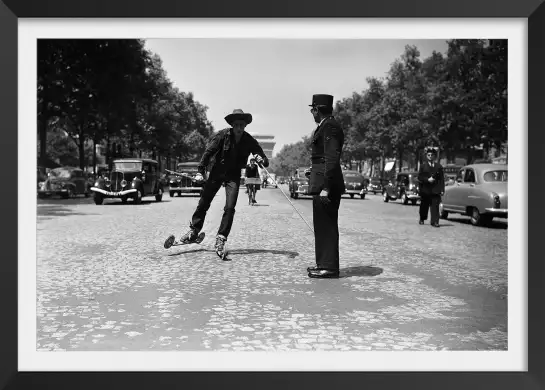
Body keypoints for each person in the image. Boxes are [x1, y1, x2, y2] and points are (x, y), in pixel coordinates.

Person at [179, 109, 269, 258]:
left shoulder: (249, 140)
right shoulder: (221, 136)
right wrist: (200, 171)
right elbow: (208, 153)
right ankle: (194, 230)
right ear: (232, 125)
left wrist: (261, 160)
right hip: (216, 171)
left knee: (230, 207)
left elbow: (264, 159)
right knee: (204, 202)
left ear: (245, 126)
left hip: (233, 176)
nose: (240, 128)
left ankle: (221, 238)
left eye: (242, 125)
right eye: (237, 125)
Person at [305, 94, 345, 279]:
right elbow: (322, 158)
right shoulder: (326, 125)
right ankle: (323, 262)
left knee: (327, 225)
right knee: (321, 225)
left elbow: (331, 158)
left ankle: (329, 266)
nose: (312, 113)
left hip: (325, 184)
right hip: (321, 180)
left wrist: (327, 186)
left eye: (312, 109)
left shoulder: (329, 126)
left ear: (317, 109)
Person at [417, 147, 445, 227]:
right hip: (425, 190)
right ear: (426, 156)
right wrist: (427, 179)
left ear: (434, 156)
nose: (430, 156)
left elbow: (441, 179)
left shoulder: (439, 166)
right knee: (424, 206)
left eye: (432, 155)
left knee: (435, 207)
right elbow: (420, 177)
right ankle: (422, 218)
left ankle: (435, 221)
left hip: (435, 190)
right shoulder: (423, 166)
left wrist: (442, 189)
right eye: (428, 155)